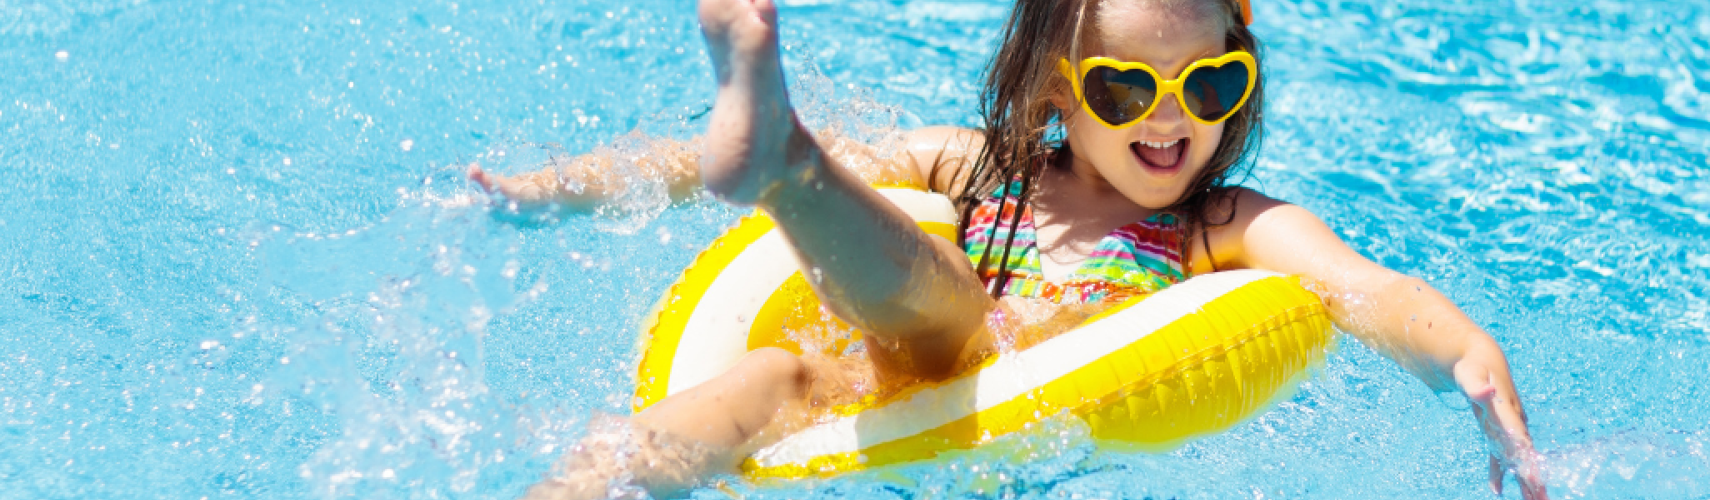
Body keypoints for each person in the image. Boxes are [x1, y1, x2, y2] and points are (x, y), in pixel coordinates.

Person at [479, 0, 1549, 498]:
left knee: (945, 317)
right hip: (893, 373)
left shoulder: (1219, 227)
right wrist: (560, 189)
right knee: (775, 370)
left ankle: (784, 163)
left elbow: (1367, 289)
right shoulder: (969, 167)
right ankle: (572, 487)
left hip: (998, 388)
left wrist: (1461, 352)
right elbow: (672, 165)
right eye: (1126, 89)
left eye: (1207, 87)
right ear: (1051, 91)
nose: (1168, 121)